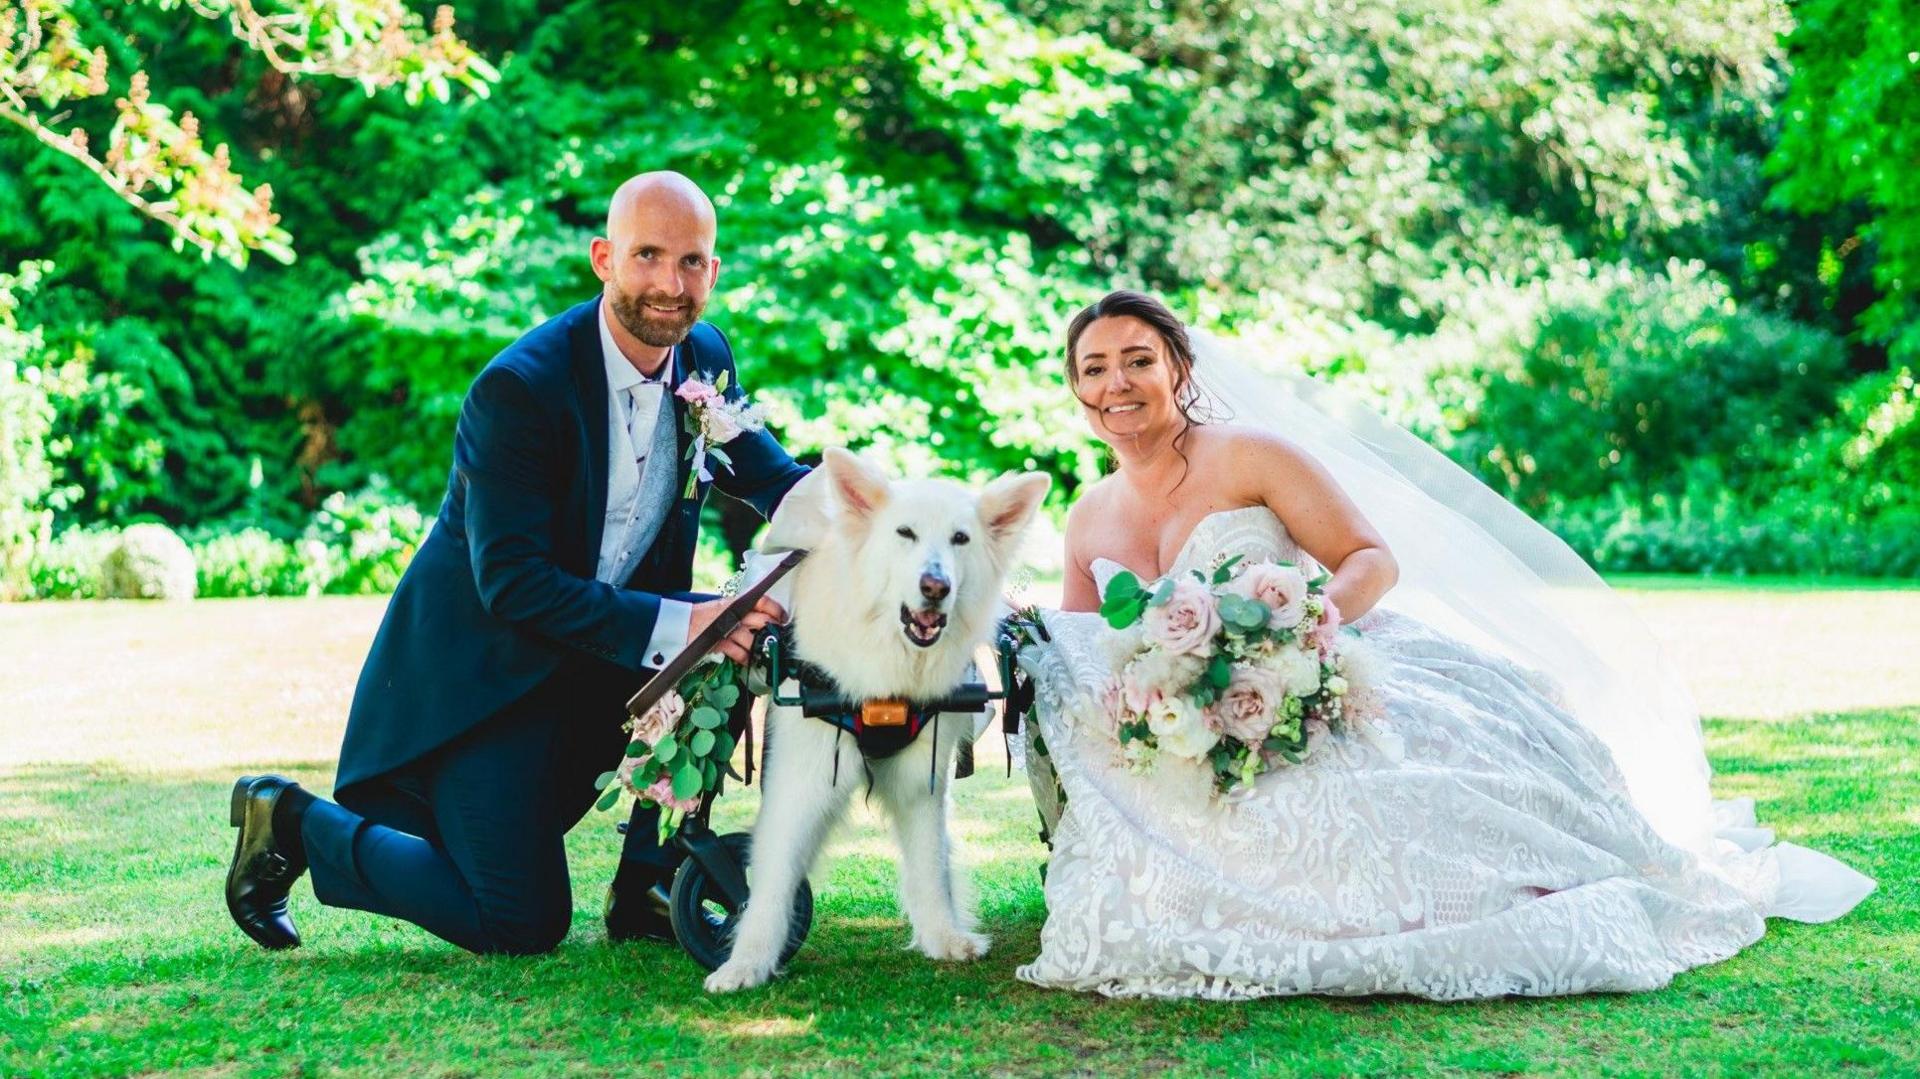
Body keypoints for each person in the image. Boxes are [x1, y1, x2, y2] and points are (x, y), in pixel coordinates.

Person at [1015, 289, 1874, 999]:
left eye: (1137, 359)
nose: (1117, 382)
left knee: (1396, 804)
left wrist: (1295, 636)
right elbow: (1089, 646)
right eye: (1095, 367)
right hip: (1196, 729)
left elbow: (1368, 559)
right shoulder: (1090, 514)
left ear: (1177, 369)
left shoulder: (1251, 456)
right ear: (1077, 388)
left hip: (1324, 665)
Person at [224, 171, 804, 955]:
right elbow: (513, 585)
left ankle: (648, 883)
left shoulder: (702, 355)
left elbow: (779, 482)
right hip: (488, 685)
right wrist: (688, 620)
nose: (671, 284)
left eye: (692, 262)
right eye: (648, 257)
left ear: (714, 270)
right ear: (603, 258)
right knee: (519, 919)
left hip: (596, 658)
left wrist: (912, 528)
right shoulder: (519, 391)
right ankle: (290, 818)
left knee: (730, 640)